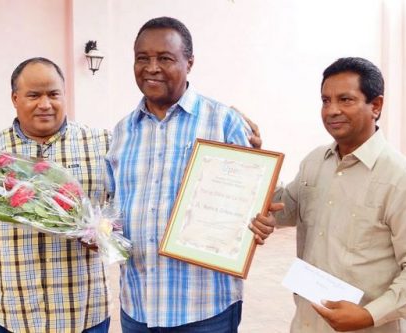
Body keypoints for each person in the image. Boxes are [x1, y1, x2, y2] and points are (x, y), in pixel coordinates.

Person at [105, 17, 280, 332]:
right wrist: (101, 232)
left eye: (165, 58)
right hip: (137, 306)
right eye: (142, 58)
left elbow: (250, 201)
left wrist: (258, 222)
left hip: (205, 309)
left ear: (190, 63)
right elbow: (115, 208)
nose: (152, 67)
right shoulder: (121, 133)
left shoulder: (223, 123)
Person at [0, 57, 112, 333]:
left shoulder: (102, 145)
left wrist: (105, 235)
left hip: (85, 317)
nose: (45, 104)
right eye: (34, 95)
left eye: (53, 94)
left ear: (64, 95)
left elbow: (125, 217)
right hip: (10, 318)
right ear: (15, 98)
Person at [275, 57, 406, 332]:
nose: (331, 110)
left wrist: (369, 315)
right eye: (325, 100)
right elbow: (284, 210)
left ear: (376, 106)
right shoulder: (315, 162)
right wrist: (252, 161)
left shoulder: (405, 181)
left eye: (345, 100)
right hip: (307, 323)